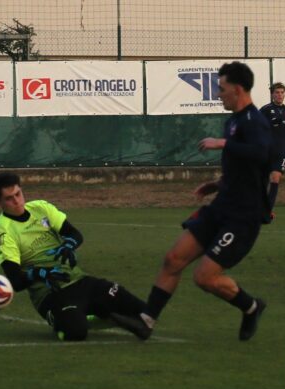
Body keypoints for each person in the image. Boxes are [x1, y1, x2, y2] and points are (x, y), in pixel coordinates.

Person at [112, 62, 272, 341]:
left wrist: (222, 144)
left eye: (221, 89)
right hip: (221, 206)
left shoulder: (254, 121)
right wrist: (216, 184)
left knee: (204, 278)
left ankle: (251, 306)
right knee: (173, 259)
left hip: (242, 217)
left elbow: (261, 155)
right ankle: (146, 321)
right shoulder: (233, 121)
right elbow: (243, 171)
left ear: (236, 89)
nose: (218, 94)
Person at [0, 172, 146, 341]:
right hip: (51, 294)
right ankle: (102, 317)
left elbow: (74, 233)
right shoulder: (2, 232)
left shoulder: (40, 208)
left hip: (78, 280)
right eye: (9, 198)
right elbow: (16, 281)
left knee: (145, 312)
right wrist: (40, 273)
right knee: (76, 332)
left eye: (18, 194)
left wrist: (69, 245)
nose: (17, 201)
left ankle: (101, 313)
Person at [260, 82, 285, 221]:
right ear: (272, 94)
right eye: (277, 92)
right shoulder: (265, 110)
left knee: (275, 178)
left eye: (282, 92)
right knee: (263, 181)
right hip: (266, 149)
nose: (280, 95)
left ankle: (266, 213)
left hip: (281, 150)